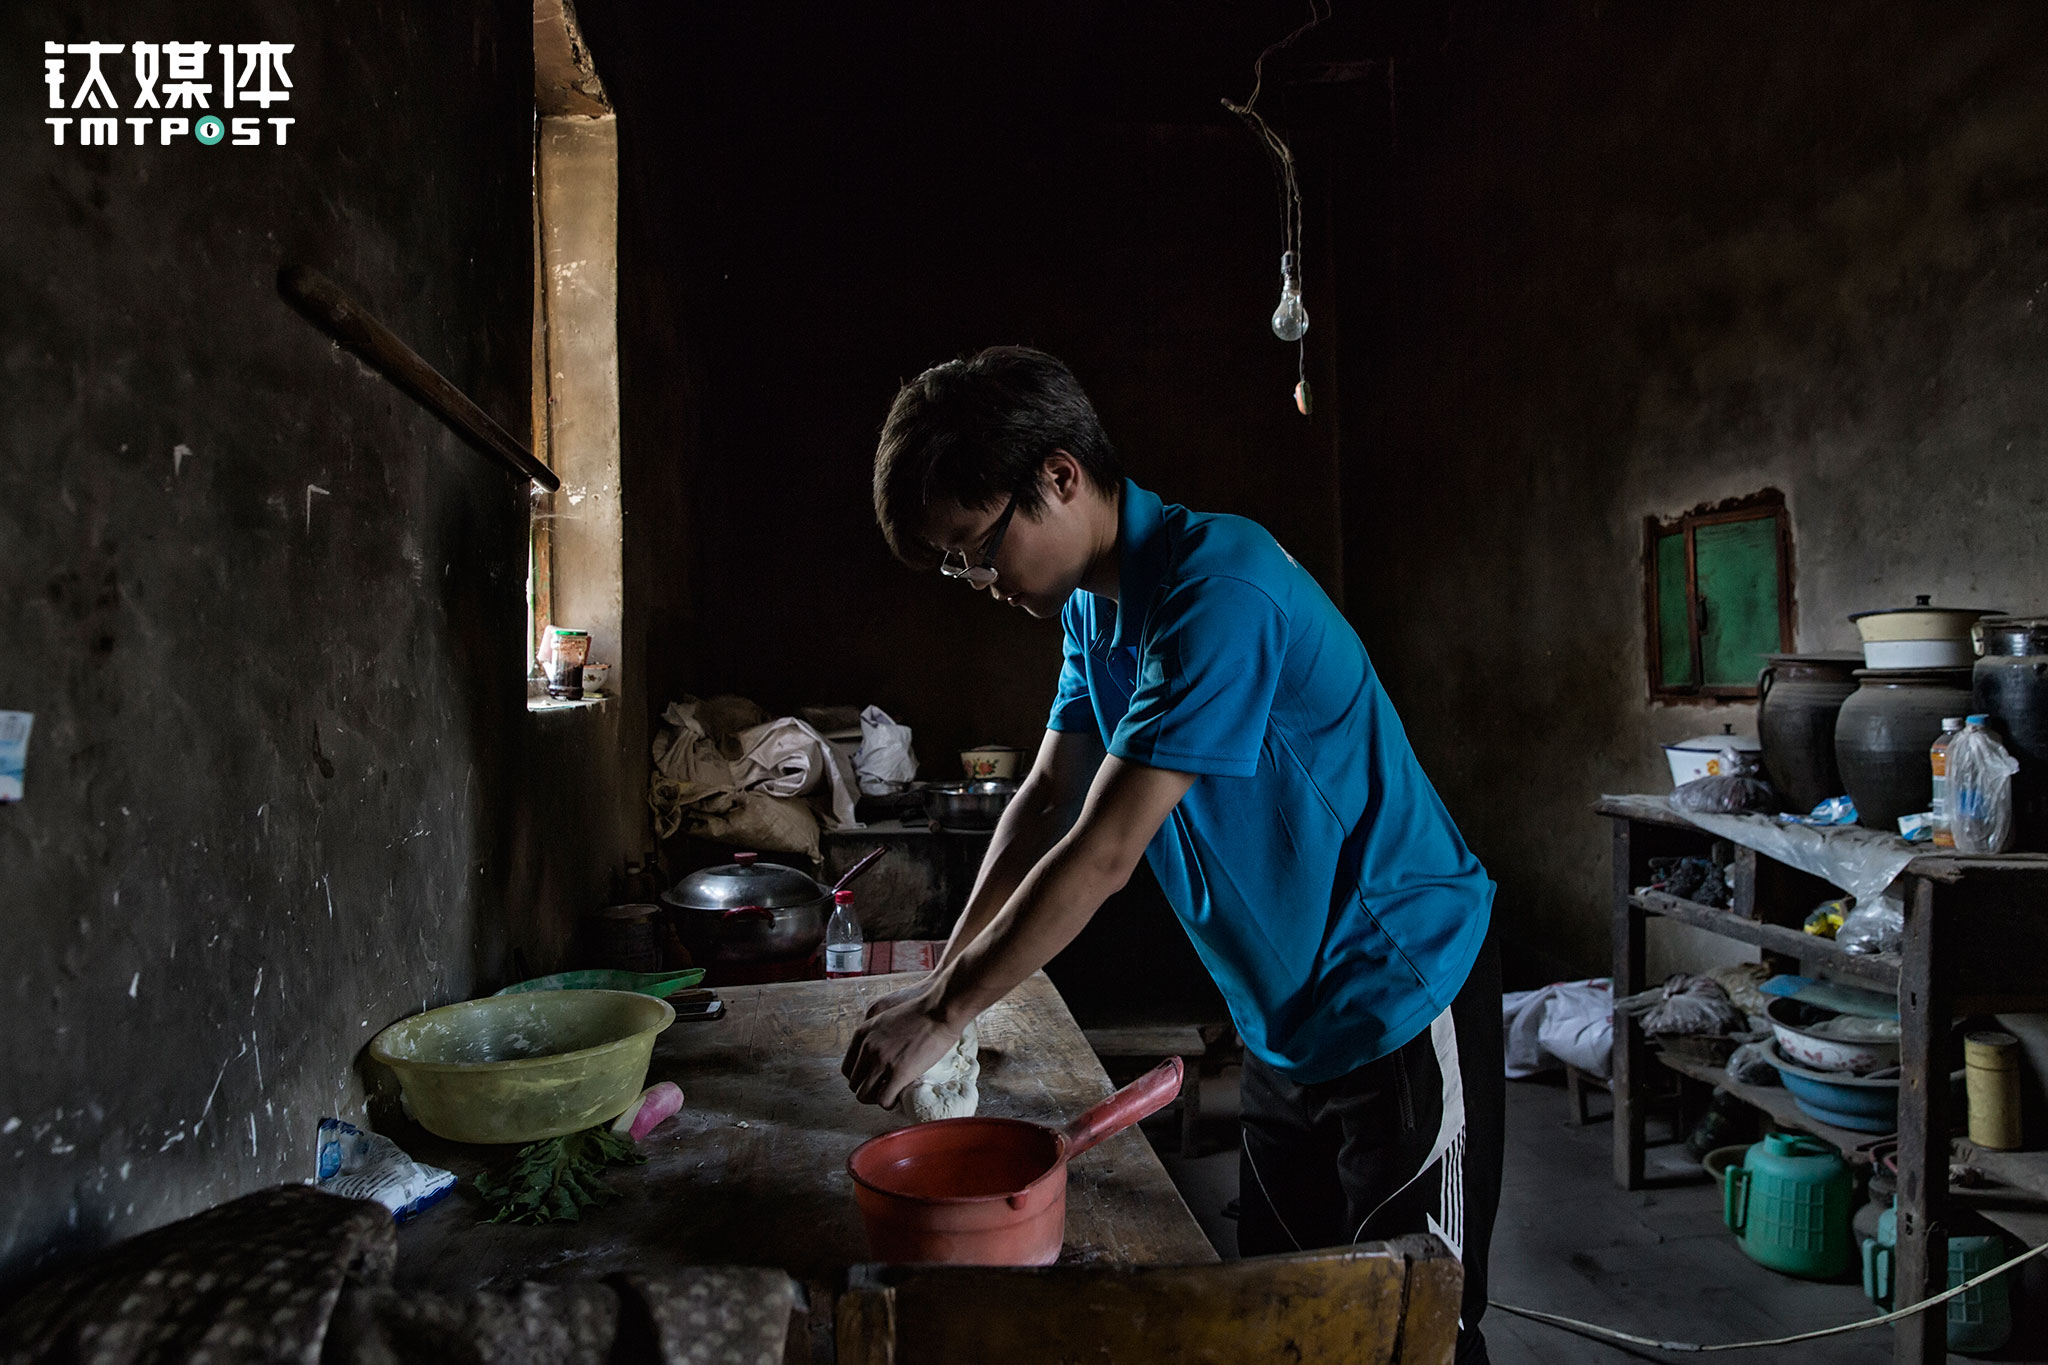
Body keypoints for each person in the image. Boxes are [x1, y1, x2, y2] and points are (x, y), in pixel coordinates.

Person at [844, 346, 1502, 1362]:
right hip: (1283, 1020)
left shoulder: (1216, 588)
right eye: (953, 563)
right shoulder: (1090, 615)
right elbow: (1041, 802)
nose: (974, 581)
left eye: (976, 547)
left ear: (1058, 477)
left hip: (1396, 994)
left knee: (1411, 1333)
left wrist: (945, 1014)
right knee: (1293, 1322)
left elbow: (1105, 849)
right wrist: (949, 975)